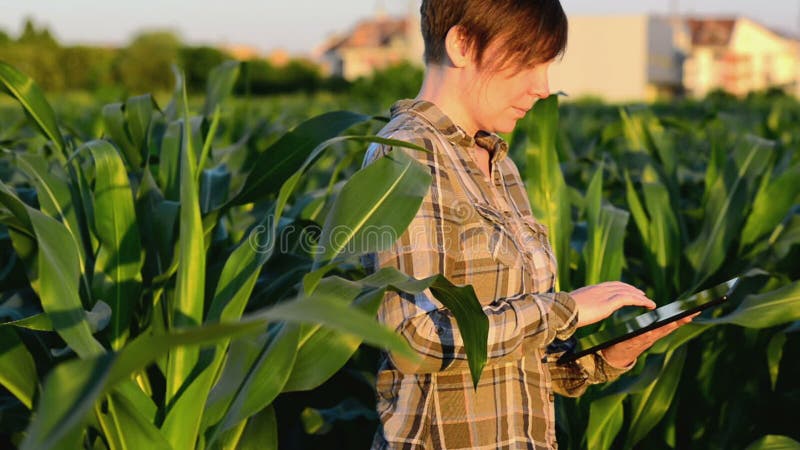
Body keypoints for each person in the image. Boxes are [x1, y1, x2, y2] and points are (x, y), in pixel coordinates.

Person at [360, 1, 696, 448]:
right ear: (462, 44)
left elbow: (516, 356)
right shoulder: (405, 159)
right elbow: (414, 339)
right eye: (526, 62)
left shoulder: (499, 163)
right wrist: (567, 310)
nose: (543, 87)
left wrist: (604, 357)